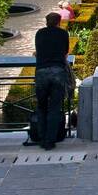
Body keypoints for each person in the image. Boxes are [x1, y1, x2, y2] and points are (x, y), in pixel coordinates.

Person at [30, 12, 71, 150]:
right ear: (59, 22)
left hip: (41, 73)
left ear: (46, 22)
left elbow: (38, 51)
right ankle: (50, 141)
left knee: (41, 107)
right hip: (58, 73)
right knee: (54, 107)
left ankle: (41, 138)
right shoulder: (63, 34)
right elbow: (65, 51)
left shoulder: (39, 33)